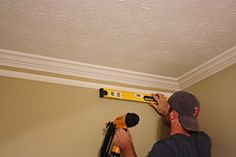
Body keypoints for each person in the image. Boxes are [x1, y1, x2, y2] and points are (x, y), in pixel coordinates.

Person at [113, 91, 212, 157]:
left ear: (173, 114)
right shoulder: (204, 140)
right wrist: (167, 113)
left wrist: (126, 146)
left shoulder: (166, 148)